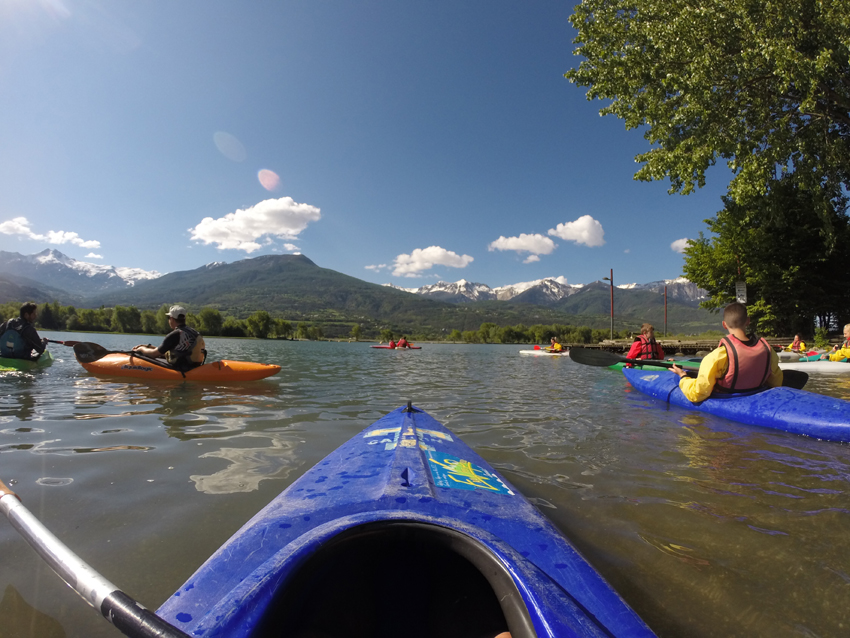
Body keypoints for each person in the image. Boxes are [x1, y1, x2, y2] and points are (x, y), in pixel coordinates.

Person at [671, 302, 782, 402]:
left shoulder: (718, 356)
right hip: (756, 395)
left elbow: (699, 393)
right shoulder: (767, 350)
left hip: (727, 398)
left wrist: (683, 377)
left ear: (724, 324)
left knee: (682, 378)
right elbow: (776, 382)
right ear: (748, 321)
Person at [133, 305, 206, 371]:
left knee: (145, 357)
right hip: (193, 367)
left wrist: (141, 349)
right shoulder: (195, 333)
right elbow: (179, 353)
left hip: (181, 369)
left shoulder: (175, 334)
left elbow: (153, 354)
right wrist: (149, 347)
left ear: (172, 319)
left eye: (168, 318)